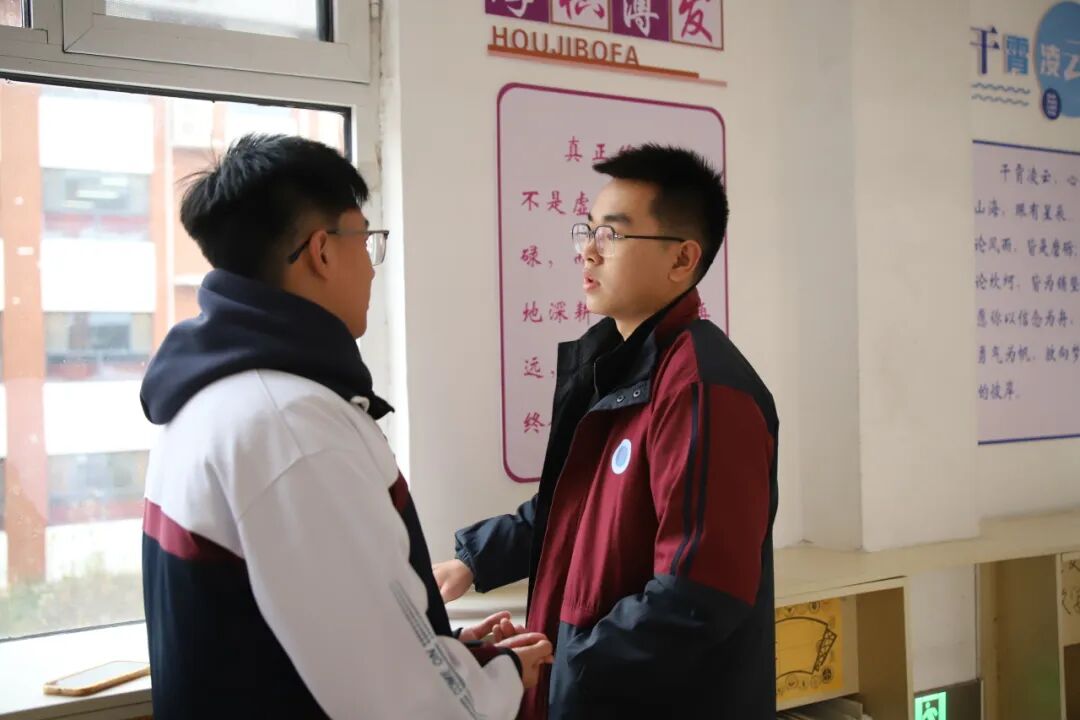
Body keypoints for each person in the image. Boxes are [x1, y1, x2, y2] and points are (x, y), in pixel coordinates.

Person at [140, 134, 551, 719]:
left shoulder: (214, 396)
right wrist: (503, 674)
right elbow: (402, 704)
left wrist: (451, 652)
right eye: (366, 238)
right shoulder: (293, 429)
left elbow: (313, 639)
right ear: (322, 251)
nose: (373, 267)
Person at [434, 145, 779, 719]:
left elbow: (699, 593)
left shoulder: (702, 388)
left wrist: (565, 665)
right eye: (587, 230)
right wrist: (474, 561)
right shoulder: (620, 365)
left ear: (682, 259)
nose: (587, 250)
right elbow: (579, 505)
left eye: (612, 234)